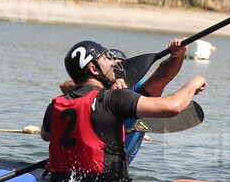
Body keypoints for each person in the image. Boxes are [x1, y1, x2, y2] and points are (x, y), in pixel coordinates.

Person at [41, 39, 206, 182]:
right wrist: (194, 83)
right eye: (106, 59)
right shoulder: (115, 98)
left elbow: (46, 135)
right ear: (93, 68)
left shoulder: (56, 104)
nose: (112, 65)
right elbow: (172, 107)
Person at [58, 41, 188, 163]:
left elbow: (162, 76)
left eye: (119, 68)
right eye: (111, 67)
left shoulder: (136, 90)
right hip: (85, 162)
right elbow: (64, 86)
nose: (115, 72)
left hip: (113, 165)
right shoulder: (91, 91)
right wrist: (108, 85)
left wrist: (177, 55)